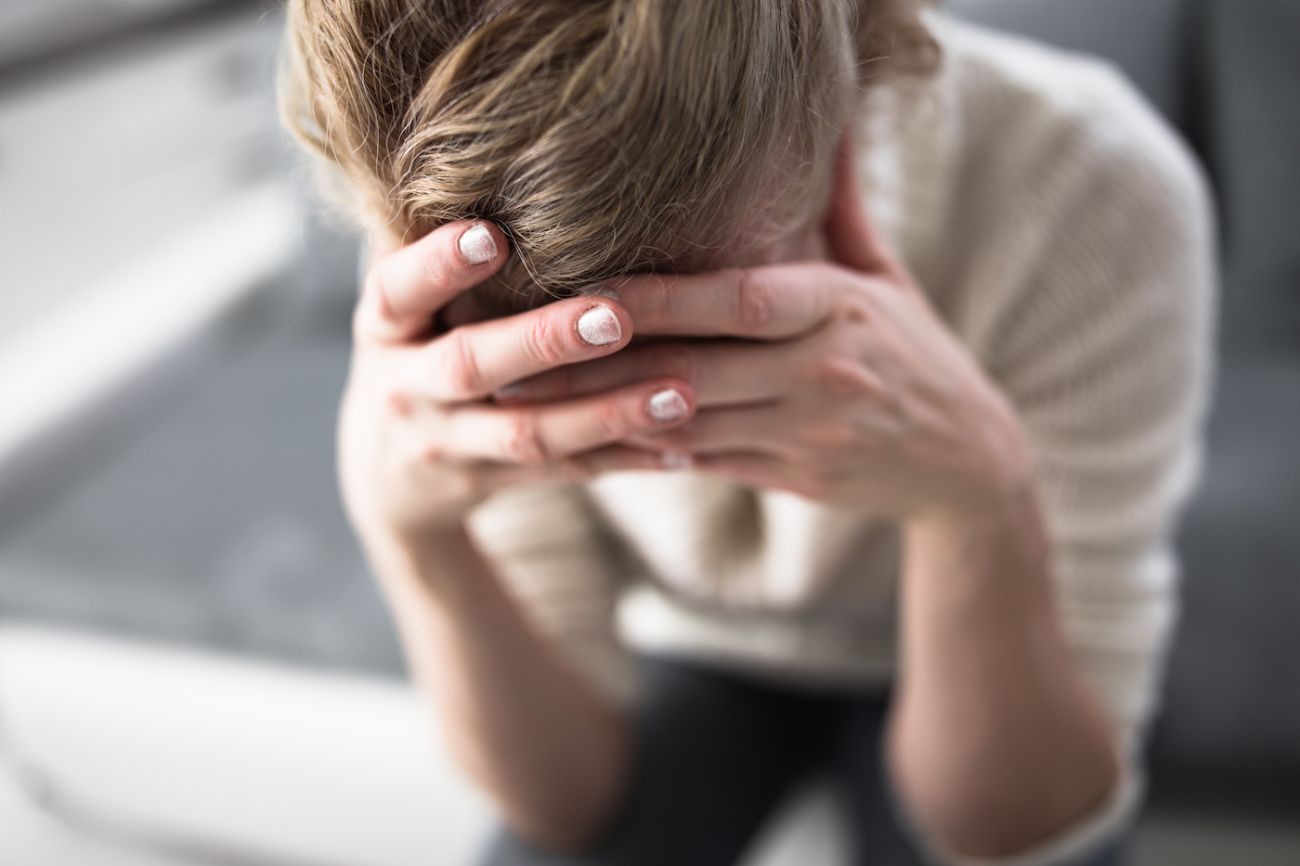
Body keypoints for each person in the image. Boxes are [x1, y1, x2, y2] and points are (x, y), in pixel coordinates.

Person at [279, 2, 1216, 864]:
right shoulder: (452, 214)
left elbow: (1022, 823)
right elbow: (566, 809)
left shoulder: (1094, 187)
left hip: (988, 628)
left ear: (841, 114)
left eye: (706, 317)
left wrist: (979, 500)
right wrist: (412, 534)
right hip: (692, 641)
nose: (662, 385)